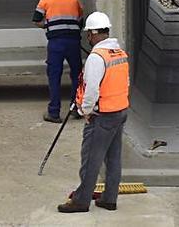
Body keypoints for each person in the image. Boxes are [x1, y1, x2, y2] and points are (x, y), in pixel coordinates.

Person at [57, 11, 129, 214]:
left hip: (102, 115)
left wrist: (85, 110)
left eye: (88, 33)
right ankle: (109, 199)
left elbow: (91, 90)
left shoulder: (97, 58)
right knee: (113, 158)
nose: (88, 37)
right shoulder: (120, 54)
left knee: (91, 159)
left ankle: (81, 201)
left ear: (95, 34)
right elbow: (125, 83)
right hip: (120, 111)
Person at [33, 0, 84, 124]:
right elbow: (80, 21)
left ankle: (54, 112)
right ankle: (76, 107)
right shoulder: (74, 0)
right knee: (77, 74)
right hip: (73, 42)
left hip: (56, 43)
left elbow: (36, 19)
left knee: (54, 76)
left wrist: (47, 25)